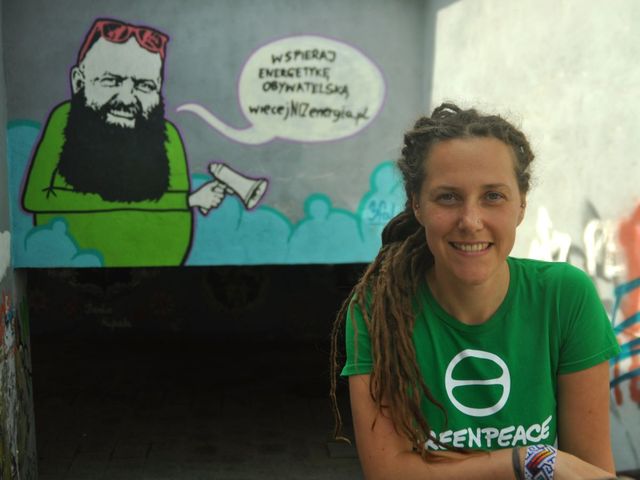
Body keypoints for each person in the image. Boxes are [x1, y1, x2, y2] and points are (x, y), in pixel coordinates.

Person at [330, 103, 622, 479]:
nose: (470, 221)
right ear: (417, 205)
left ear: (521, 205)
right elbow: (388, 473)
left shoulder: (565, 297)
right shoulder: (378, 308)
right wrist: (527, 460)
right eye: (448, 197)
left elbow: (589, 472)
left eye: (493, 196)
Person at [21, 19, 232, 266]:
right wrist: (188, 200)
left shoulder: (168, 136)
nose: (127, 98)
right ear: (79, 82)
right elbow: (35, 198)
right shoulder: (64, 119)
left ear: (158, 90)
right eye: (111, 81)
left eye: (144, 86)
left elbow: (179, 220)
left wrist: (182, 204)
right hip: (70, 258)